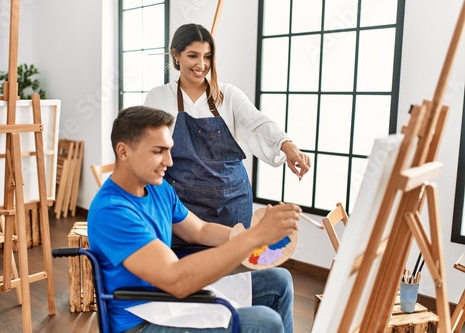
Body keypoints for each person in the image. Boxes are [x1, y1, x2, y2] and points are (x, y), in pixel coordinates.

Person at [87, 105, 301, 333]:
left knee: (279, 281)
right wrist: (253, 238)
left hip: (170, 301)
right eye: (158, 151)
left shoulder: (159, 189)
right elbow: (176, 280)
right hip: (140, 320)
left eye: (169, 150)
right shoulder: (112, 211)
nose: (169, 162)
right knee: (263, 321)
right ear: (123, 152)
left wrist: (252, 235)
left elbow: (199, 230)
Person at [144, 23, 311, 237]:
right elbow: (148, 146)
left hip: (231, 201)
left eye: (208, 56)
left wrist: (288, 147)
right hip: (182, 206)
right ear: (176, 55)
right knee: (187, 268)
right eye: (193, 56)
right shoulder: (158, 96)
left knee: (232, 266)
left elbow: (257, 122)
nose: (201, 64)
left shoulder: (228, 94)